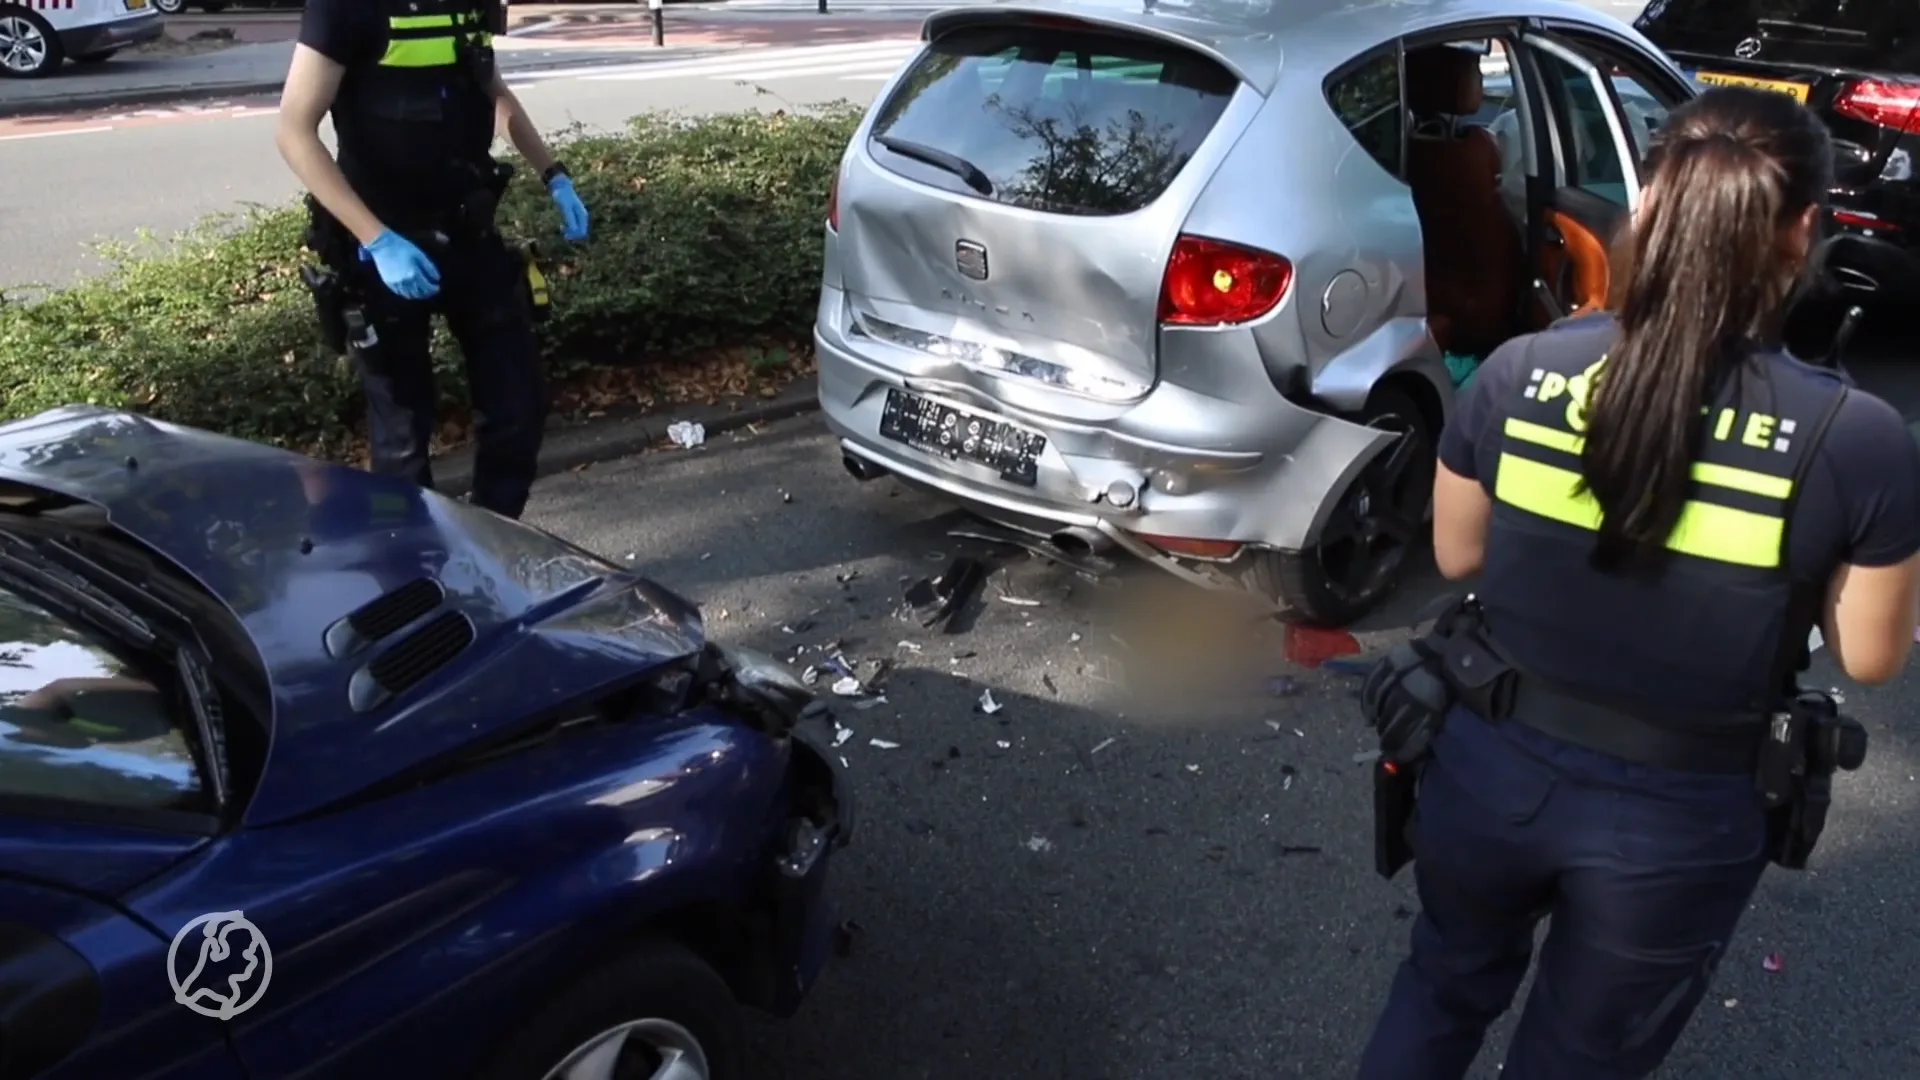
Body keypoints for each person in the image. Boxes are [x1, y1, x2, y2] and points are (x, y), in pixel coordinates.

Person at [1356, 86, 1920, 1079]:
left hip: (1486, 772)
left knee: (1441, 986)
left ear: (1648, 207)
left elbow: (1458, 555)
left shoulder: (1521, 369)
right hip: (1677, 822)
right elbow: (1870, 657)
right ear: (1803, 231)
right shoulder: (1855, 439)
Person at [273, 0, 591, 521]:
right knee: (402, 438)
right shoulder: (347, 7)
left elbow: (492, 90)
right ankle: (410, 556)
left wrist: (553, 174)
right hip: (383, 250)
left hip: (470, 236)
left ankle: (490, 536)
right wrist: (377, 240)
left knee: (518, 407)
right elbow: (293, 130)